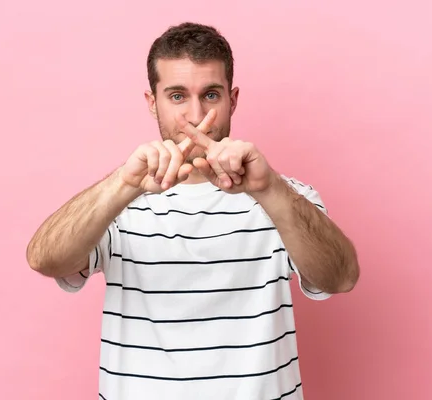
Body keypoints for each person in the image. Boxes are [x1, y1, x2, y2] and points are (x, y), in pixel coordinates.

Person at [26, 21, 360, 400]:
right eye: (178, 96)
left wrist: (270, 191)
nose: (196, 115)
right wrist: (123, 185)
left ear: (232, 99)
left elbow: (341, 278)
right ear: (153, 102)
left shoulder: (286, 197)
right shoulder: (116, 200)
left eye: (211, 95)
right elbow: (44, 259)